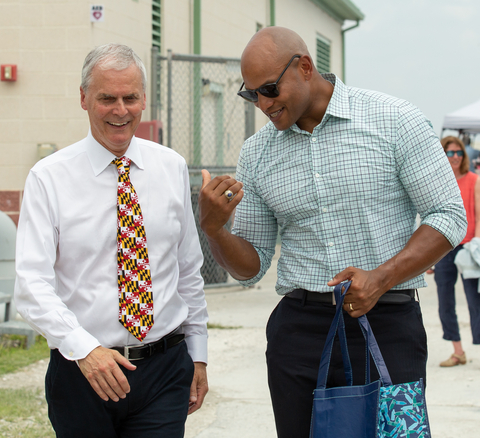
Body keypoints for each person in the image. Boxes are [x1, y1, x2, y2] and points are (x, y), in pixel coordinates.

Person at [198, 27, 467, 438]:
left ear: (305, 67)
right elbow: (250, 266)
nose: (264, 104)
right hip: (300, 336)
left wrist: (381, 277)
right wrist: (216, 230)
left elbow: (448, 214)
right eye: (252, 94)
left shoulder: (394, 119)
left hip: (388, 325)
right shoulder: (256, 154)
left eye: (270, 89)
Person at [14, 43, 208, 438]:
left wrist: (198, 355)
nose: (121, 111)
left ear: (143, 99)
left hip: (164, 369)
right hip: (82, 372)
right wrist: (83, 348)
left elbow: (188, 269)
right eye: (107, 98)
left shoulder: (170, 167)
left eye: (130, 98)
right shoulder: (48, 178)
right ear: (84, 98)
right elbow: (31, 285)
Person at [427, 136, 480, 367]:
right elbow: (430, 218)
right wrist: (429, 257)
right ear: (443, 155)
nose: (455, 157)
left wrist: (476, 244)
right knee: (445, 301)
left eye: (459, 152)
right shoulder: (438, 183)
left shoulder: (474, 180)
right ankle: (457, 350)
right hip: (444, 247)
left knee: (474, 301)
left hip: (468, 247)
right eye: (450, 153)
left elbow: (478, 215)